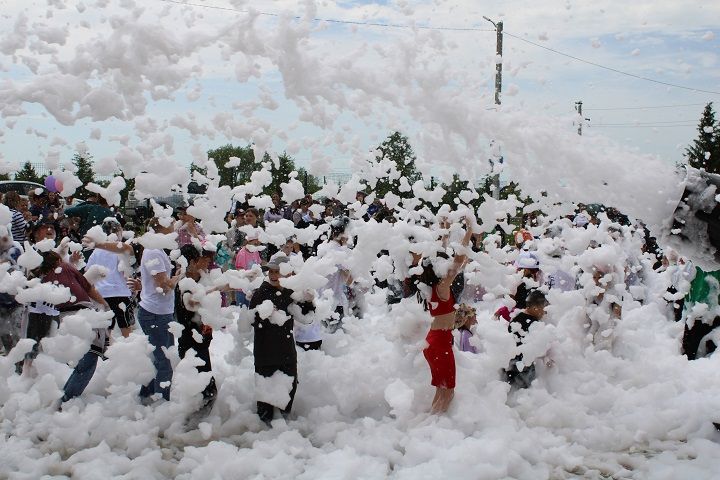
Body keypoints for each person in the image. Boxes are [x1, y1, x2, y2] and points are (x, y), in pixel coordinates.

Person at [416, 216, 473, 414]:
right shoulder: (442, 286)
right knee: (448, 391)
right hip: (440, 342)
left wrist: (445, 231)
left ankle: (429, 422)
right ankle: (434, 427)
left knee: (441, 389)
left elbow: (442, 258)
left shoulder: (428, 286)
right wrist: (469, 230)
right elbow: (458, 260)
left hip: (433, 341)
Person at [249, 256, 314, 425]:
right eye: (271, 271)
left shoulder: (290, 292)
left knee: (289, 387)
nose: (273, 275)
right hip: (265, 351)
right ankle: (265, 430)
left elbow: (307, 317)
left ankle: (285, 426)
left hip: (286, 351)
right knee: (265, 394)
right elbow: (251, 319)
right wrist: (264, 315)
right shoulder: (261, 292)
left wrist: (309, 300)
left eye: (277, 272)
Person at [137, 217, 181, 403]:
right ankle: (161, 404)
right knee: (165, 362)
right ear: (161, 227)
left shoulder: (157, 250)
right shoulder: (154, 251)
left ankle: (146, 396)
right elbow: (163, 287)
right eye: (170, 225)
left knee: (158, 358)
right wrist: (179, 276)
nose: (174, 228)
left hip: (158, 312)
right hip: (155, 314)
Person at [176, 244, 217, 416]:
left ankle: (199, 420)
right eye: (203, 258)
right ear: (192, 261)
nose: (207, 262)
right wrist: (218, 289)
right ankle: (193, 423)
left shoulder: (200, 278)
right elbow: (191, 305)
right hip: (189, 340)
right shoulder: (184, 283)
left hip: (201, 338)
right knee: (201, 386)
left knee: (206, 385)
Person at [83, 217, 135, 337]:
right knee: (126, 329)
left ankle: (106, 352)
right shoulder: (122, 248)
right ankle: (129, 352)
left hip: (101, 295)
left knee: (106, 330)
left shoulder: (96, 251)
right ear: (117, 232)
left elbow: (88, 271)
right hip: (120, 293)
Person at [503, 290, 550, 390]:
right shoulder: (533, 323)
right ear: (535, 308)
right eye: (543, 309)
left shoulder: (517, 318)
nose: (544, 313)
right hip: (524, 369)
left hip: (510, 366)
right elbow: (539, 349)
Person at [234, 231, 263, 307]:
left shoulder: (255, 251)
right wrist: (251, 273)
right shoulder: (242, 254)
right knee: (242, 311)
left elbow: (259, 264)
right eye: (255, 242)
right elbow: (240, 272)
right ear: (249, 242)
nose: (257, 244)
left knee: (251, 311)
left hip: (252, 287)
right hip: (242, 288)